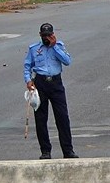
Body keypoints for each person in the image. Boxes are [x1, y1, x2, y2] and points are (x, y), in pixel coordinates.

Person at [23, 22, 78, 159]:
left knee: (62, 117)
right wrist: (28, 80)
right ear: (40, 35)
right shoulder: (34, 48)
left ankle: (68, 150)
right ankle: (45, 151)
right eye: (44, 35)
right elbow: (27, 66)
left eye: (49, 35)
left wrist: (55, 47)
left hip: (56, 83)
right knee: (41, 119)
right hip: (40, 83)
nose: (47, 38)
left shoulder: (59, 46)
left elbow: (67, 61)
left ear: (53, 34)